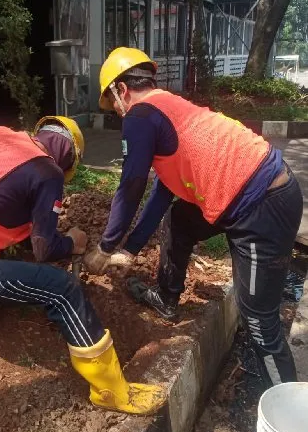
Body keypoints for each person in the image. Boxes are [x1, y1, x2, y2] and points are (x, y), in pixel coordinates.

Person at [0, 115, 165, 415]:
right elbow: (43, 250)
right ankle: (111, 390)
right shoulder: (48, 172)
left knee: (9, 265)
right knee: (62, 288)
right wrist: (72, 242)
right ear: (69, 159)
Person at [85, 48, 303, 388]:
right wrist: (130, 249)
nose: (115, 111)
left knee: (259, 319)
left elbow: (130, 184)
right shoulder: (167, 107)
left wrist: (106, 245)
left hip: (263, 205)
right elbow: (161, 192)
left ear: (121, 90)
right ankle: (167, 297)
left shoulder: (140, 115)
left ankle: (289, 414)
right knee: (180, 219)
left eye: (112, 103)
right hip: (238, 195)